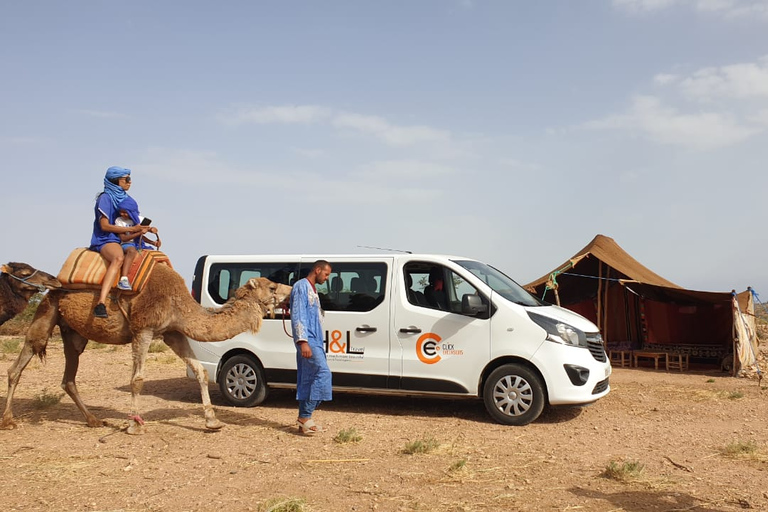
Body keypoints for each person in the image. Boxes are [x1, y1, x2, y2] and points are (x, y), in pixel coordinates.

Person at [88, 166, 151, 318]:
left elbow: (135, 218)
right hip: (107, 238)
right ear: (116, 181)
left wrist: (143, 229)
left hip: (126, 238)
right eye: (127, 179)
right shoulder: (105, 199)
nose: (130, 182)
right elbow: (104, 226)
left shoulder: (127, 200)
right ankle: (101, 303)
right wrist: (131, 229)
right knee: (118, 258)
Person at [290, 259, 333, 435]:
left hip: (316, 338)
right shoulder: (301, 286)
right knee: (323, 373)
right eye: (326, 274)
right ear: (317, 270)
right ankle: (305, 416)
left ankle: (304, 420)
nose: (327, 278)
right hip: (308, 339)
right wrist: (302, 341)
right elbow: (298, 314)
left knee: (309, 376)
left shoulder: (314, 291)